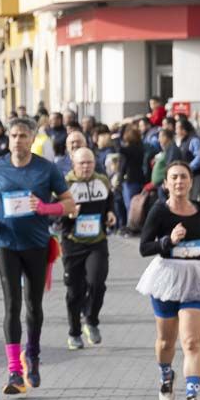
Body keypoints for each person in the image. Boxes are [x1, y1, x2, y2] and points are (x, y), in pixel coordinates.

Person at [0, 117, 74, 392]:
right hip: (5, 242)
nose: (18, 140)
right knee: (11, 305)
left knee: (33, 307)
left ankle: (32, 354)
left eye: (23, 136)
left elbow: (69, 204)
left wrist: (45, 208)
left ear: (33, 139)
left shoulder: (46, 169)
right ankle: (14, 371)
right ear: (8, 138)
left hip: (36, 244)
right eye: (14, 135)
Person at [136, 161, 200, 400]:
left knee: (191, 341)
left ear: (190, 181)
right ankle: (166, 375)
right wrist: (168, 241)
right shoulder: (159, 212)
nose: (179, 182)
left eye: (183, 177)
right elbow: (144, 247)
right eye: (174, 177)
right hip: (167, 277)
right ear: (166, 183)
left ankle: (191, 395)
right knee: (166, 342)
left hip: (196, 276)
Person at [61, 148, 115, 350]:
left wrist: (110, 212)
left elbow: (110, 200)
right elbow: (53, 212)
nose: (86, 167)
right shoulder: (65, 184)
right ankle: (74, 332)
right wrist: (68, 215)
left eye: (89, 163)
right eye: (81, 163)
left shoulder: (102, 180)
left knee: (97, 283)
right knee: (75, 291)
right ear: (74, 165)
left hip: (97, 241)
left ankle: (91, 320)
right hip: (72, 242)